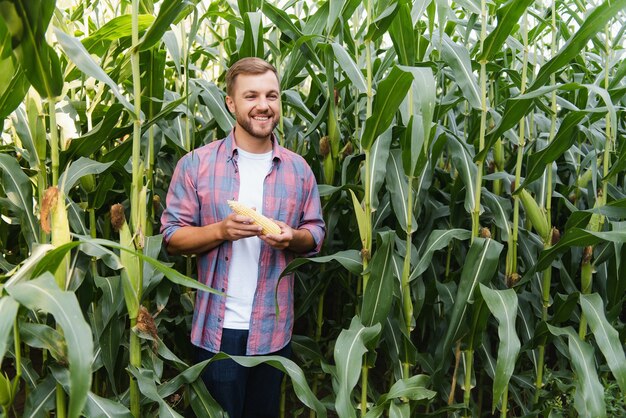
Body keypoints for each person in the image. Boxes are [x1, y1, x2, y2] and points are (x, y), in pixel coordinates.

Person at [160, 57, 325, 418]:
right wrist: (221, 231)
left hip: (272, 333)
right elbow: (171, 237)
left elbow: (315, 234)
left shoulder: (298, 170)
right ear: (231, 103)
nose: (263, 105)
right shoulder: (196, 164)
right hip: (217, 332)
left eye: (272, 95)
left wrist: (292, 237)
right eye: (251, 96)